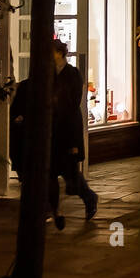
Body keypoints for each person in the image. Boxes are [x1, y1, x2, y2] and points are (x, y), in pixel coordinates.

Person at [50, 39, 98, 228]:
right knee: (51, 172)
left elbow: (73, 101)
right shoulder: (49, 73)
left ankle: (89, 197)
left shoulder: (72, 74)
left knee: (70, 174)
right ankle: (55, 211)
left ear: (60, 53)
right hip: (53, 129)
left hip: (68, 128)